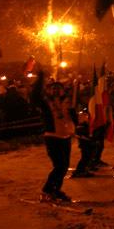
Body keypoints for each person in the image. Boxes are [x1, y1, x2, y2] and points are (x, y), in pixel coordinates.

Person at [32, 74, 75, 202]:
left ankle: (56, 190)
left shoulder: (67, 102)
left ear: (63, 90)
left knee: (64, 166)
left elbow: (72, 118)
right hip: (52, 137)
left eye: (58, 88)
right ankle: (46, 190)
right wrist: (40, 78)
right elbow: (34, 95)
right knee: (59, 166)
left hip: (66, 137)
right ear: (49, 90)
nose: (56, 90)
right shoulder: (46, 103)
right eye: (53, 88)